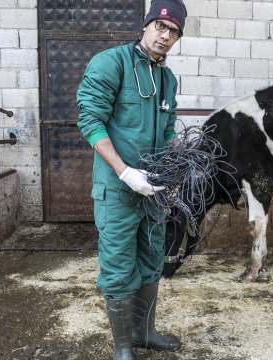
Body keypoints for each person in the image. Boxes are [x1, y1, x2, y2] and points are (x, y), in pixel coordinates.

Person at [76, 1, 187, 359]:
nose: (165, 36)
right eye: (161, 27)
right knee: (119, 266)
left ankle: (144, 331)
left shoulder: (168, 79)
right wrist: (124, 171)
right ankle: (123, 346)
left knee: (153, 259)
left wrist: (175, 165)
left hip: (153, 190)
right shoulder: (112, 63)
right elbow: (90, 121)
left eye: (174, 32)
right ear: (146, 26)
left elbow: (168, 130)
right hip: (118, 189)